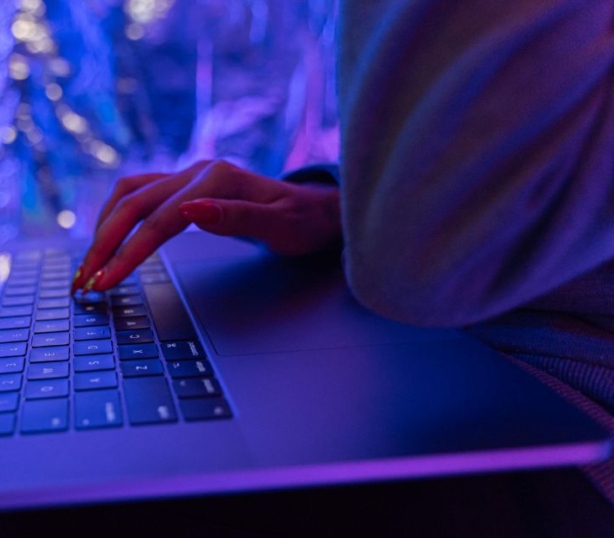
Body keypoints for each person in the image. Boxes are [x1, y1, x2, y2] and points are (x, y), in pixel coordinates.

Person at [72, 0, 614, 511]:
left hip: (570, 416)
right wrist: (342, 211)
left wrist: (409, 228)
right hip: (466, 350)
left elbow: (424, 269)